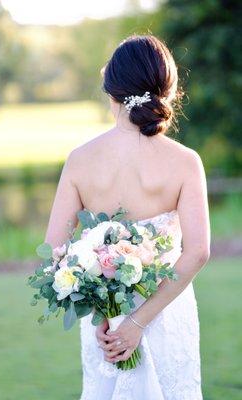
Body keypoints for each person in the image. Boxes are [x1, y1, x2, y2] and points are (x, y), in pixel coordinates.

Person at [45, 34, 210, 400]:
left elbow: (53, 249)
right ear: (167, 90)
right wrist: (137, 323)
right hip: (167, 311)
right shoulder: (185, 161)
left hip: (104, 324)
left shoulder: (80, 160)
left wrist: (105, 312)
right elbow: (197, 252)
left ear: (111, 90)